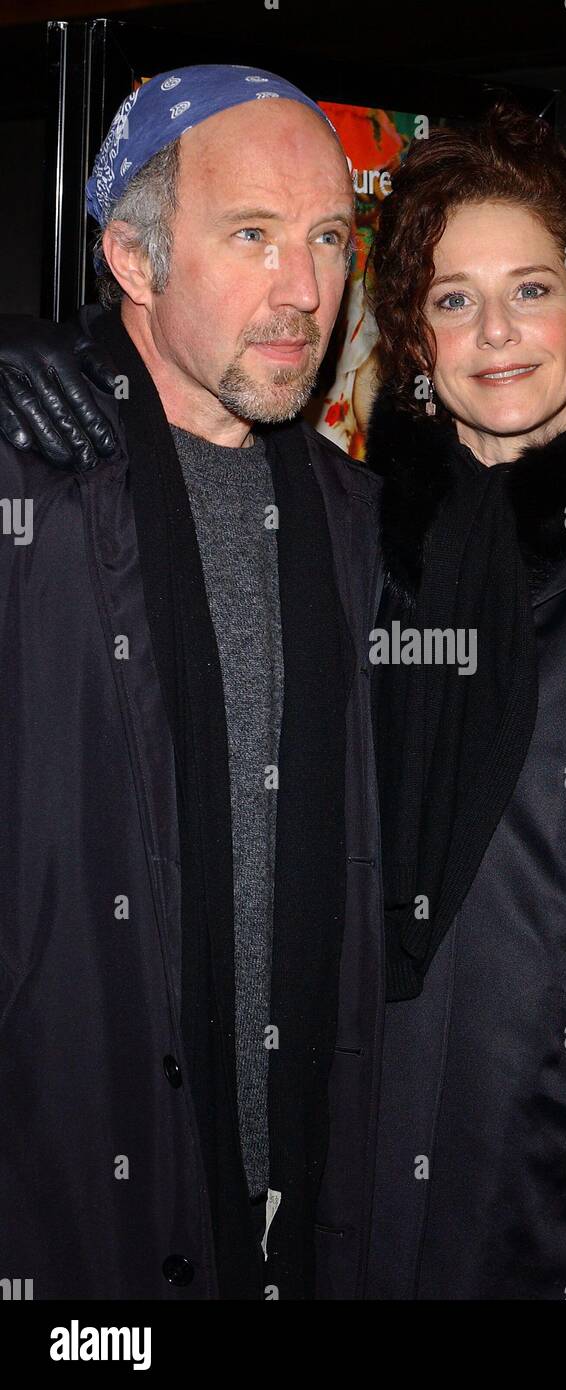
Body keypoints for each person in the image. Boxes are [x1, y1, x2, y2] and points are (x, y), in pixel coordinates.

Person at [6, 100, 566, 1302]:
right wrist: (56, 356)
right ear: (410, 337)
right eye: (452, 299)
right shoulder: (355, 548)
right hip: (359, 1211)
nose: (495, 332)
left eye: (532, 289)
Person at [0, 65, 384, 1299]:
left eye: (329, 236)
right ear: (134, 258)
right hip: (70, 1207)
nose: (305, 290)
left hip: (305, 1198)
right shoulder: (30, 500)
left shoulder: (356, 517)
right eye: (253, 235)